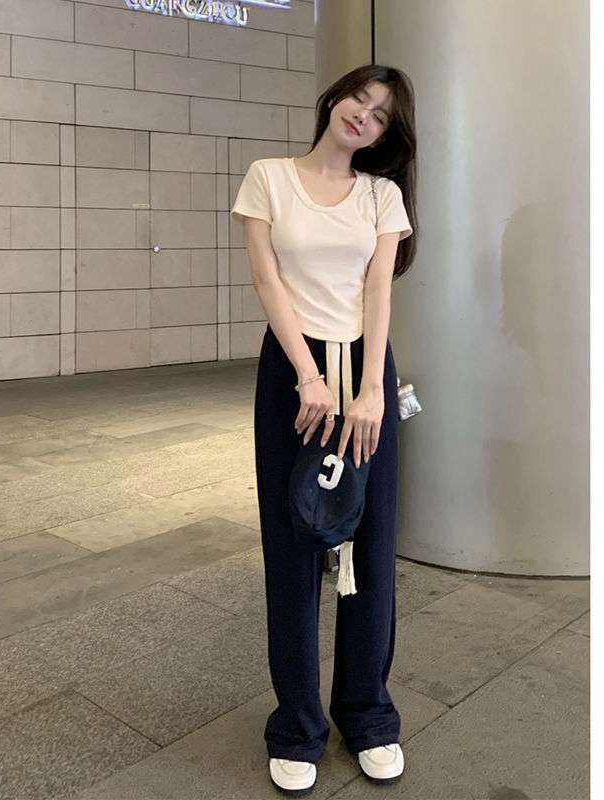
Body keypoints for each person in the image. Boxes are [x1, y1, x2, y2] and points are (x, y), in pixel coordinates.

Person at [230, 63, 418, 795]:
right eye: (358, 99)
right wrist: (308, 376)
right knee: (292, 547)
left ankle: (368, 715)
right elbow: (268, 280)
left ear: (384, 135)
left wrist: (371, 390)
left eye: (380, 114)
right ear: (335, 99)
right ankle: (297, 727)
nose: (363, 115)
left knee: (371, 543)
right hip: (293, 371)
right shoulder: (268, 178)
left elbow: (378, 292)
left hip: (365, 371)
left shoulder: (381, 195)